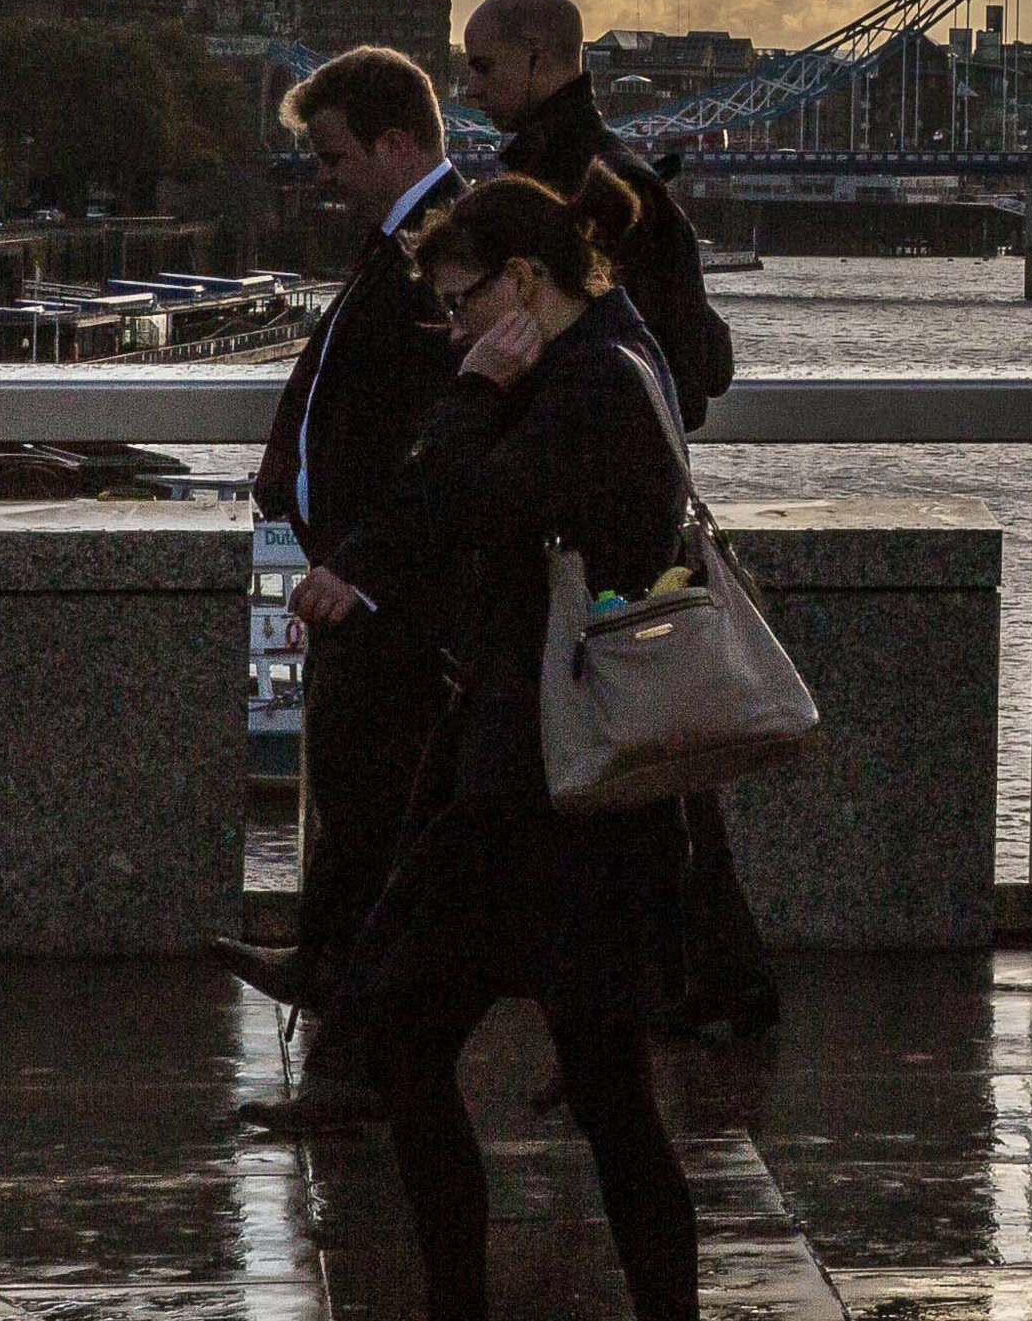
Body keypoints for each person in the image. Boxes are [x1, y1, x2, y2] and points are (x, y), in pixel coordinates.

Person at [307, 169, 706, 1321]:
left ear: (523, 282)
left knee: (416, 1041)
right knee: (593, 1087)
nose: (452, 330)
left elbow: (446, 502)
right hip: (555, 794)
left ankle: (464, 1305)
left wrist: (473, 391)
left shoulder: (582, 390)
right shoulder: (604, 362)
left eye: (462, 302)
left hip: (539, 799)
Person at [459, 0, 772, 1045]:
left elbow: (677, 364)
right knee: (647, 756)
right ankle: (689, 980)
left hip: (588, 514)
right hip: (584, 503)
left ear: (543, 59)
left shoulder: (583, 191)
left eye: (484, 66)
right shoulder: (606, 177)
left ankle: (643, 989)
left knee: (633, 750)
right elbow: (702, 355)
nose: (471, 86)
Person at [228, 44, 464, 1135]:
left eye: (334, 154)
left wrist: (361, 562)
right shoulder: (403, 244)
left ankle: (360, 1057)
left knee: (378, 821)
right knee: (363, 815)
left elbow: (435, 439)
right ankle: (334, 989)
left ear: (398, 142)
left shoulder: (442, 251)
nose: (323, 176)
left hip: (386, 595)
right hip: (352, 580)